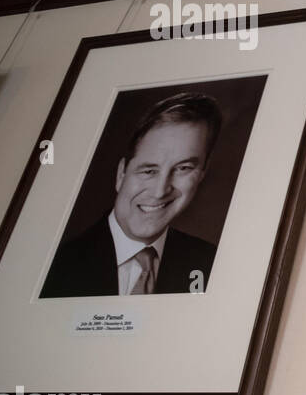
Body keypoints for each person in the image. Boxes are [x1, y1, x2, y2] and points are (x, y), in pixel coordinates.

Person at [41, 92, 222, 298]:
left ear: (202, 174)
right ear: (121, 174)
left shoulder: (212, 263)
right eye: (148, 171)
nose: (160, 190)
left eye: (183, 168)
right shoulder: (52, 266)